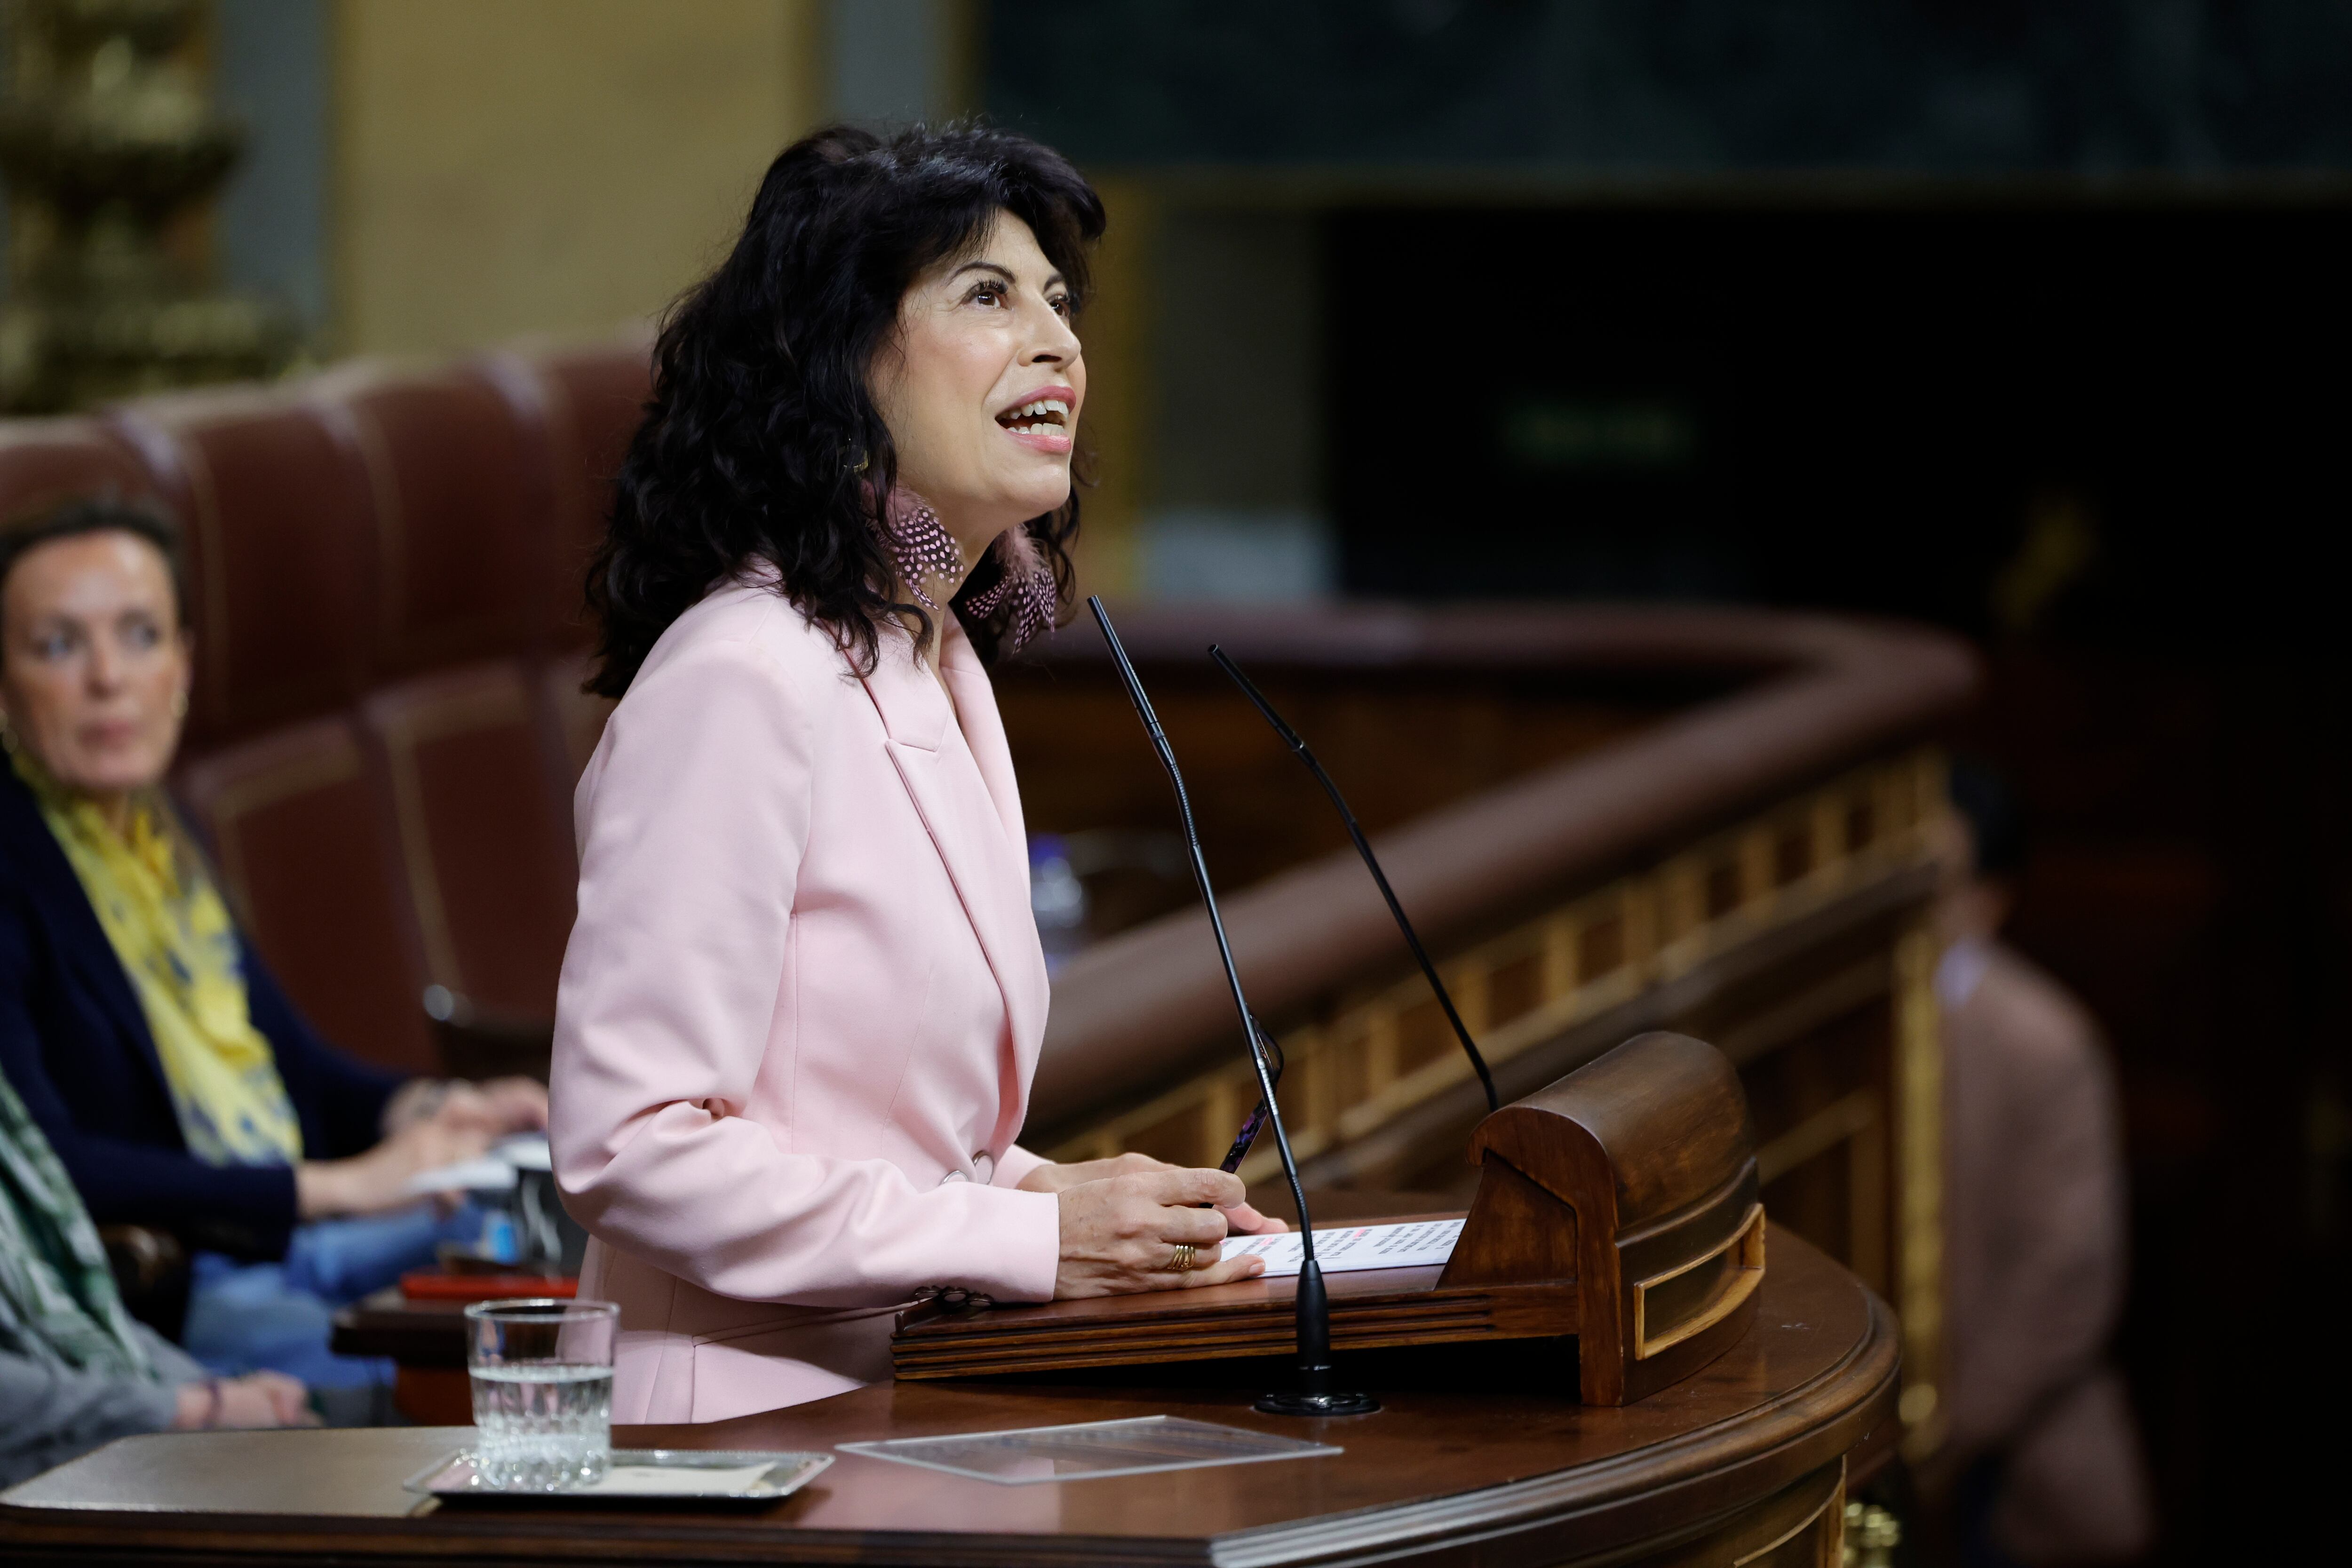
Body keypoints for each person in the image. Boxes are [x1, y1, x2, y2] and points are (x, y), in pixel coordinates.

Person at [551, 123, 1285, 1425]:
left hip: (902, 1399)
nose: (1058, 342)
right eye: (988, 296)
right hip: (723, 1441)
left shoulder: (936, 658)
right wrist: (1021, 1242)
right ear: (840, 364)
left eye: (1059, 303)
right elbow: (633, 1146)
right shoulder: (743, 675)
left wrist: (1040, 1194)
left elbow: (875, 1132)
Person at [0, 499, 547, 1404]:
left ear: (182, 661)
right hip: (185, 1286)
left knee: (553, 1218)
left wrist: (439, 1104)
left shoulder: (152, 839)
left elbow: (296, 1068)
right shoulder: (15, 860)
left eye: (139, 636)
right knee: (454, 1377)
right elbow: (49, 1166)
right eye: (58, 646)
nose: (107, 678)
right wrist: (333, 1187)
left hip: (297, 1240)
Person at [1926, 758, 2154, 1565]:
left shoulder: (2043, 1039)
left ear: (1990, 895)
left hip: (2005, 1465)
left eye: (1938, 874)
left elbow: (2068, 1273)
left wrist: (1947, 1433)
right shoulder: (1849, 1027)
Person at [3, 1059, 315, 1488]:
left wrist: (212, 1392)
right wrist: (196, 1409)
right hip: (58, 1490)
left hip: (128, 1422)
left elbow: (88, 1314)